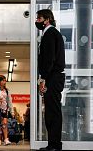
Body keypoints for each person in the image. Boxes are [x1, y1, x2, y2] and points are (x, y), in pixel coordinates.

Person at [36, 9, 65, 151]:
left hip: (53, 77)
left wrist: (43, 79)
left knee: (52, 112)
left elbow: (49, 60)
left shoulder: (49, 34)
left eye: (39, 18)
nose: (37, 21)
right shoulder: (53, 34)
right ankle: (53, 144)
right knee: (52, 111)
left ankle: (54, 145)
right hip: (54, 77)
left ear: (47, 19)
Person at [0, 75, 12, 146]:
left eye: (5, 80)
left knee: (4, 124)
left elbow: (9, 101)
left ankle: (6, 139)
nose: (4, 82)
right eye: (3, 80)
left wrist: (11, 110)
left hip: (4, 109)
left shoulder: (7, 91)